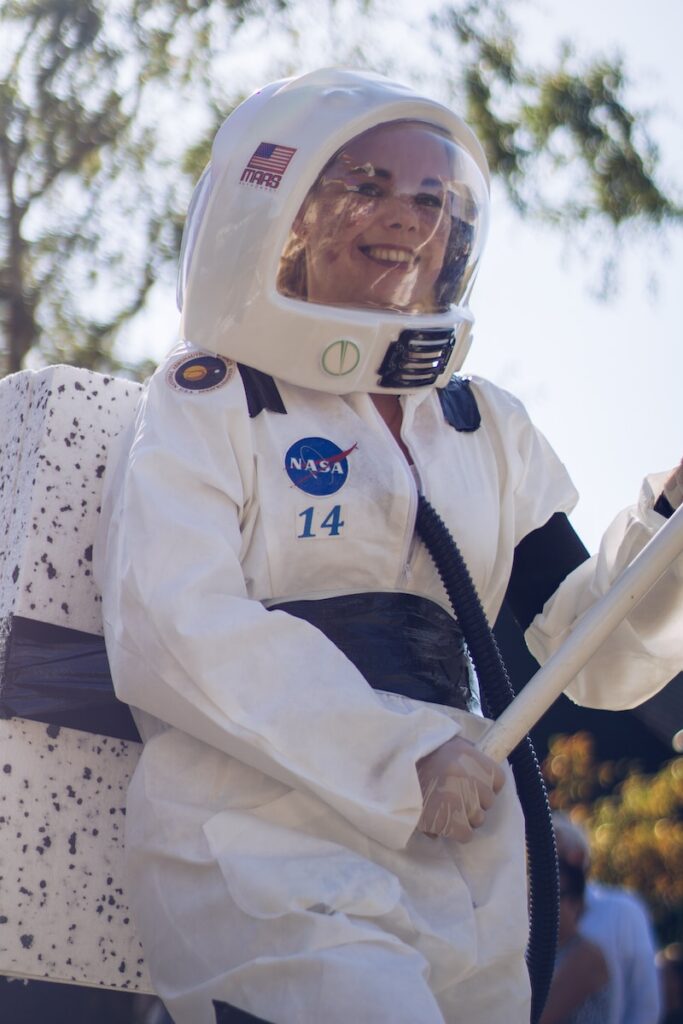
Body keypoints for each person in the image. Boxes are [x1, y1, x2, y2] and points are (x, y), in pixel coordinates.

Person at [94, 67, 683, 1024]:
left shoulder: (480, 425)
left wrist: (667, 528)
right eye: (364, 185)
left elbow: (591, 655)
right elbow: (175, 624)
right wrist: (399, 757)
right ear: (276, 211)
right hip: (259, 841)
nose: (408, 217)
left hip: (457, 853)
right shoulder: (214, 399)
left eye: (431, 197)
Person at [553, 812, 662, 1024]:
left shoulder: (622, 911)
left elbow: (645, 1001)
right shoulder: (530, 916)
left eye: (558, 856)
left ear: (578, 857)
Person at [539, 858, 610, 1024]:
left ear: (576, 904)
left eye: (551, 894)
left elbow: (538, 1016)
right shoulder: (541, 953)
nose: (536, 902)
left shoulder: (587, 956)